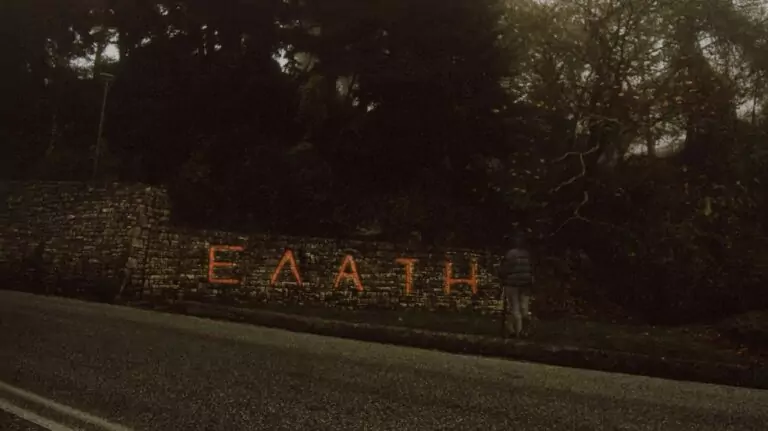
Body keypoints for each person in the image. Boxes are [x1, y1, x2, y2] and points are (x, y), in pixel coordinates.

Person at [498, 234, 535, 338]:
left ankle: (518, 332)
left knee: (514, 308)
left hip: (512, 284)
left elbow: (505, 269)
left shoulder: (511, 254)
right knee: (524, 308)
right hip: (525, 284)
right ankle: (517, 329)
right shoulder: (527, 254)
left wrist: (501, 276)